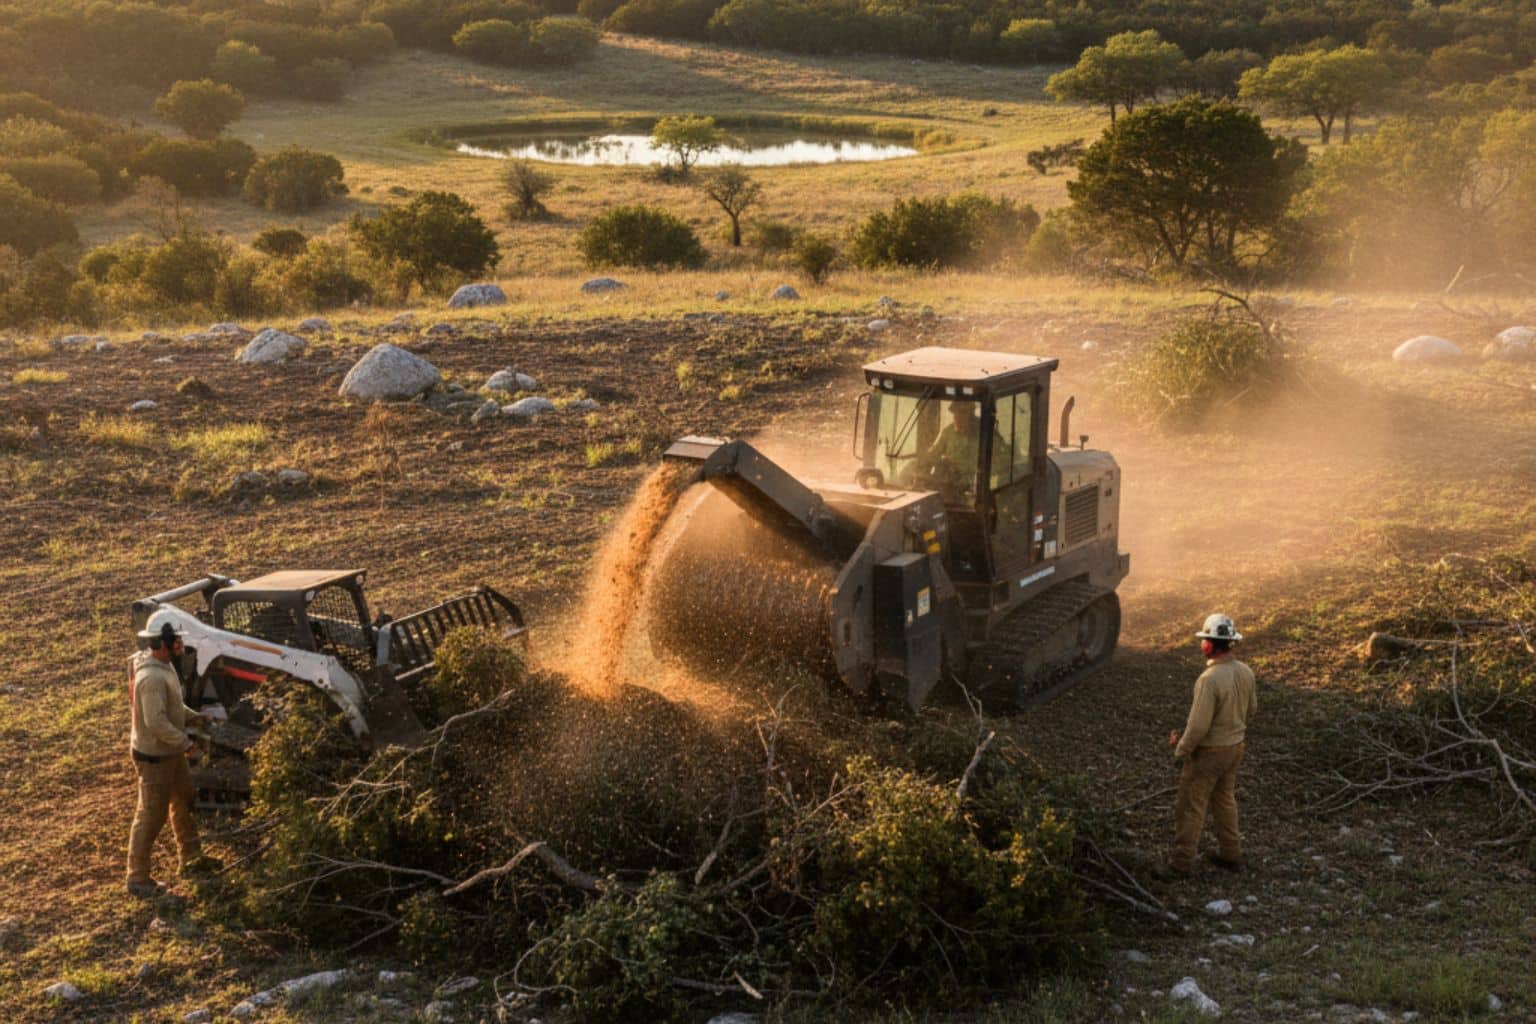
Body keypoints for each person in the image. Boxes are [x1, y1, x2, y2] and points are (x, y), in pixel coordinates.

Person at [126, 621, 217, 896]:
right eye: (176, 640)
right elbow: (155, 722)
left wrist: (193, 717)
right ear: (163, 644)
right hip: (155, 756)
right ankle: (137, 878)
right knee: (151, 815)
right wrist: (185, 742)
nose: (181, 644)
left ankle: (192, 858)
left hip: (169, 752)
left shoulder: (163, 666)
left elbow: (173, 705)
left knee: (184, 800)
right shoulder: (151, 678)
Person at [1167, 613, 1257, 876]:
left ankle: (1181, 863)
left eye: (1204, 640)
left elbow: (1198, 727)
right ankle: (1232, 854)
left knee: (1191, 806)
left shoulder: (1209, 679)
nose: (1201, 645)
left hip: (1209, 754)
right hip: (1235, 747)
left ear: (1209, 645)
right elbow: (1252, 709)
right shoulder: (1246, 672)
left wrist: (1181, 750)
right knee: (1224, 801)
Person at [918, 401, 980, 498]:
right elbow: (932, 455)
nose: (958, 418)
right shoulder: (948, 432)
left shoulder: (984, 434)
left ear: (971, 415)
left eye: (963, 413)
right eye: (956, 413)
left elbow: (1002, 458)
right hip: (949, 483)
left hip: (973, 489)